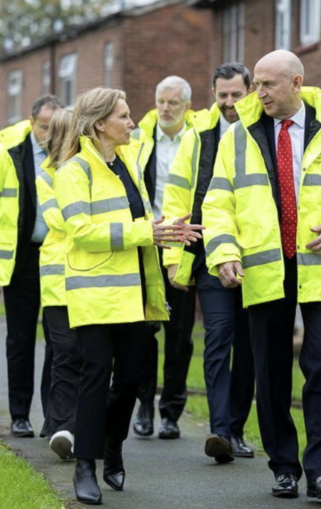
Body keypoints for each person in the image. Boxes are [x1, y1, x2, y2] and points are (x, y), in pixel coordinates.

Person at [203, 50, 321, 499]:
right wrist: (223, 251)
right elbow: (218, 202)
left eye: (268, 84)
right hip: (265, 268)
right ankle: (283, 466)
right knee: (271, 372)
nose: (258, 92)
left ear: (297, 83)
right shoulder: (238, 134)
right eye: (256, 84)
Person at [54, 87, 202, 505]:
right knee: (96, 376)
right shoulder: (73, 171)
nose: (133, 121)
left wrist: (165, 228)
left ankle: (112, 446)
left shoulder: (128, 164)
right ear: (100, 123)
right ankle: (85, 467)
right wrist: (144, 231)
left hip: (137, 293)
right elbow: (80, 230)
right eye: (124, 115)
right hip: (97, 296)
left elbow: (136, 221)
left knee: (134, 378)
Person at [162, 63, 256, 462]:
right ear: (213, 95)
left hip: (255, 256)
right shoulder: (197, 135)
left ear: (249, 92)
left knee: (250, 347)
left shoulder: (263, 130)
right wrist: (172, 256)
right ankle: (219, 432)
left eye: (236, 95)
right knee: (218, 339)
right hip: (207, 256)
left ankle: (235, 429)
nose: (230, 103)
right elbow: (176, 196)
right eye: (223, 96)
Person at [0, 95, 62, 438]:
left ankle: (54, 418)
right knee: (21, 339)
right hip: (22, 259)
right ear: (31, 122)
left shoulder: (69, 153)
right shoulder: (5, 153)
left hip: (58, 258)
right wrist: (3, 242)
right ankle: (19, 415)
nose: (48, 135)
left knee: (60, 340)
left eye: (55, 129)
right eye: (43, 127)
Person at [131, 76, 199, 439]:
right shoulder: (139, 138)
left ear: (187, 106)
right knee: (144, 332)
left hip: (183, 245)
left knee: (180, 335)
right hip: (147, 245)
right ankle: (143, 406)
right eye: (161, 101)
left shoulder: (198, 137)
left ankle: (171, 411)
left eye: (173, 102)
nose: (165, 108)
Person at [35, 108, 81, 459]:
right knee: (64, 354)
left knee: (90, 358)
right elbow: (60, 219)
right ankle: (61, 426)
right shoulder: (46, 175)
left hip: (96, 279)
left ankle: (75, 425)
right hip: (59, 281)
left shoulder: (97, 169)